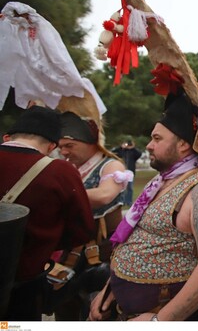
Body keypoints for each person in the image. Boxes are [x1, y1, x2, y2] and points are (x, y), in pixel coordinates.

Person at [88, 90, 198, 321]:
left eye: (157, 139)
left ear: (183, 144)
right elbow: (136, 242)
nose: (148, 146)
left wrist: (160, 321)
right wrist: (109, 289)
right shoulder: (159, 183)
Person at [0, 106, 95, 321]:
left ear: (7, 137)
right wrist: (42, 243)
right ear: (52, 145)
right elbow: (83, 230)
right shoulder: (61, 171)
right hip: (22, 285)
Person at [54, 111, 130, 320]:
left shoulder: (111, 165)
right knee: (66, 307)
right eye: (60, 147)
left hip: (104, 252)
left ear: (89, 142)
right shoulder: (68, 168)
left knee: (100, 309)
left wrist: (61, 195)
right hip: (72, 252)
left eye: (69, 145)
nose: (64, 151)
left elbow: (105, 195)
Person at [112, 138, 142, 206]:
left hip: (130, 172)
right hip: (122, 171)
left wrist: (133, 148)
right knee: (121, 187)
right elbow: (113, 152)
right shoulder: (121, 151)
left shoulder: (133, 152)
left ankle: (128, 201)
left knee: (130, 188)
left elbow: (139, 154)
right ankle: (122, 201)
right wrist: (121, 147)